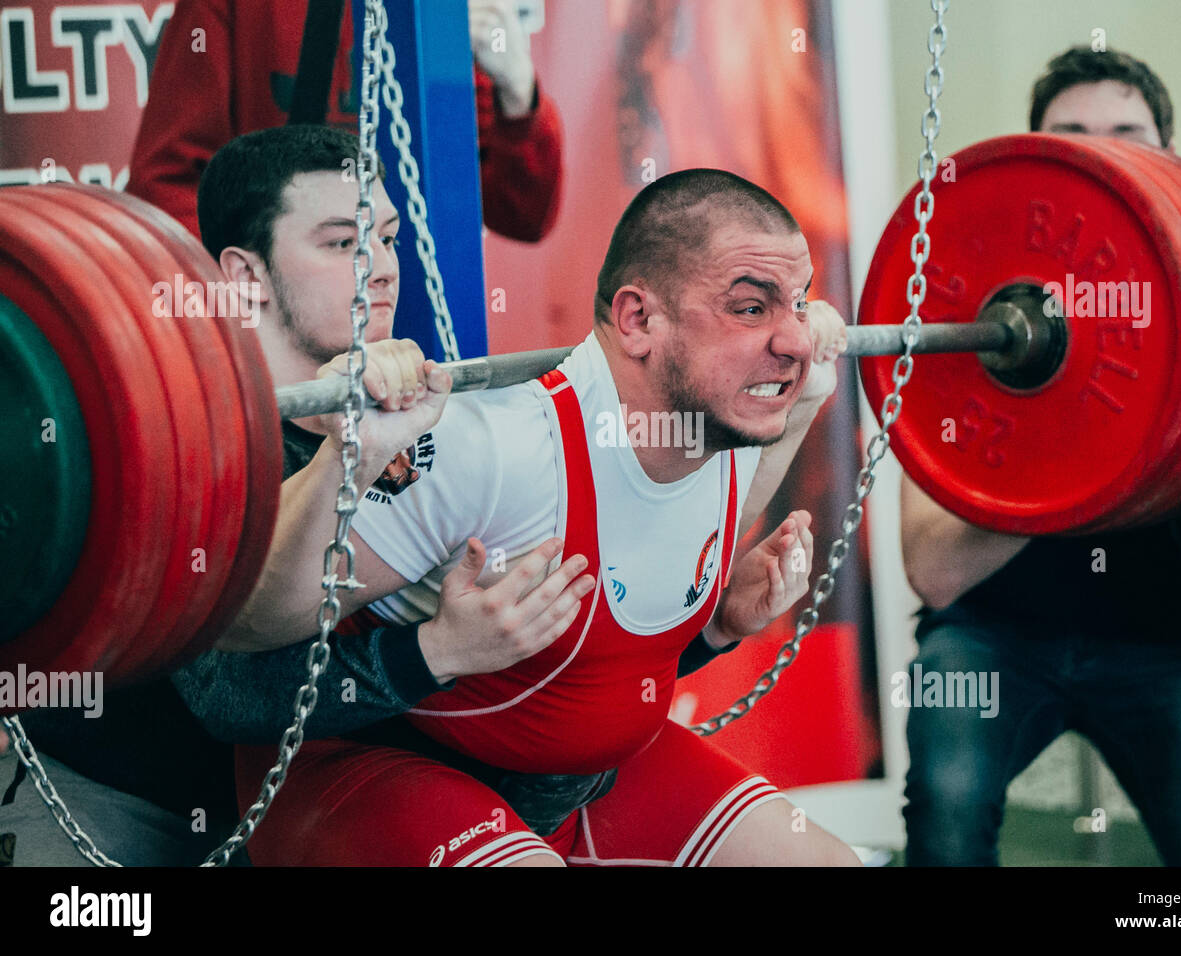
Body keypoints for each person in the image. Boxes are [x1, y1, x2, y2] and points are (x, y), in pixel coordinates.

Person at [218, 162, 861, 866]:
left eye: (798, 304)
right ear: (638, 319)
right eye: (750, 307)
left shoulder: (736, 421)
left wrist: (722, 624)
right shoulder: (491, 450)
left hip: (581, 787)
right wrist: (350, 467)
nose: (795, 340)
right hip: (377, 780)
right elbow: (246, 621)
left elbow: (601, 656)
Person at [2, 124, 577, 866]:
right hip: (118, 802)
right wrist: (434, 651)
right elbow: (230, 698)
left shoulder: (419, 423)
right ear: (246, 275)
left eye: (391, 239)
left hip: (284, 813)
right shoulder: (188, 435)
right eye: (343, 244)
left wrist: (707, 633)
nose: (382, 270)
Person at [900, 46, 1181, 867]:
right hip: (992, 637)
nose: (1103, 154)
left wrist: (1172, 434)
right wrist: (1068, 451)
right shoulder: (965, 318)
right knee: (945, 806)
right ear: (1043, 160)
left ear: (1170, 160)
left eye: (1127, 134)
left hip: (1167, 647)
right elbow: (933, 571)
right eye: (1073, 136)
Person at [128, 0, 563, 243]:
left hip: (423, 331)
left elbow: (523, 216)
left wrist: (518, 93)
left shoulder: (445, 12)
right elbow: (167, 185)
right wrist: (253, 295)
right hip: (282, 340)